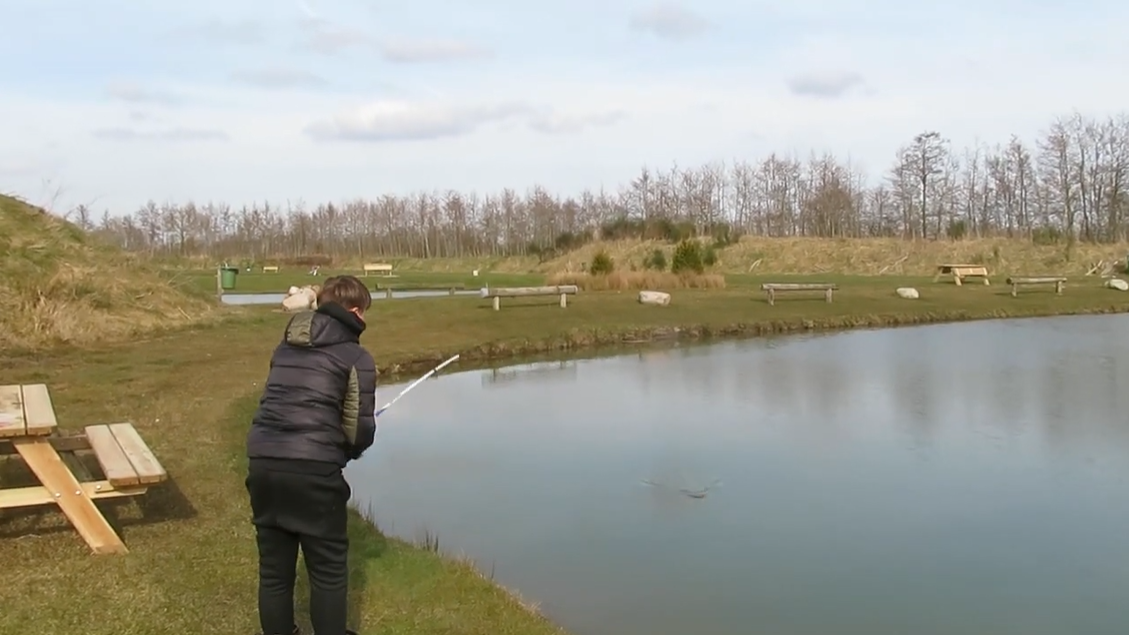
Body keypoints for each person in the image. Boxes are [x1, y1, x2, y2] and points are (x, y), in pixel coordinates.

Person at [245, 274, 378, 635]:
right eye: (364, 312)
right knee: (329, 570)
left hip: (262, 464)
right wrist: (347, 452)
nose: (365, 320)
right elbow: (359, 431)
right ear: (353, 311)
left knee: (274, 571)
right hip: (314, 471)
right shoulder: (356, 356)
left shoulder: (284, 347)